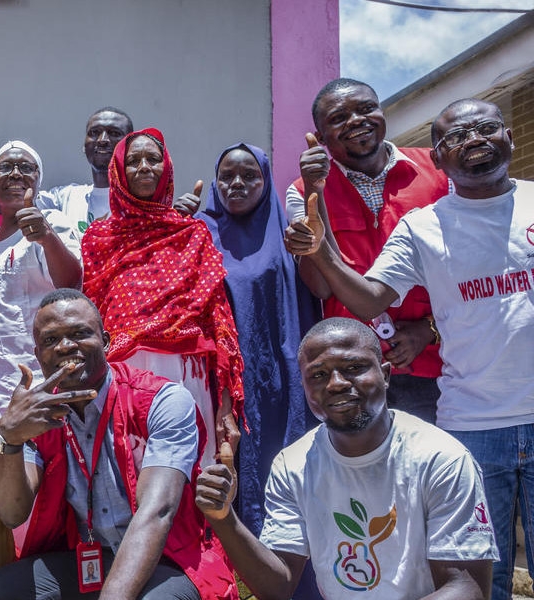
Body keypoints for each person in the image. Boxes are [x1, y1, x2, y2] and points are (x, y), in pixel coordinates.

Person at [286, 98, 533, 600]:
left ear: (509, 136)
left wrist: (427, 331)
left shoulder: (517, 196)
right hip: (472, 422)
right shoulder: (422, 226)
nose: (474, 141)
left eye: (485, 128)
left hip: (463, 386)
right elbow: (364, 295)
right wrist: (321, 247)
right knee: (488, 578)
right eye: (456, 139)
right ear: (439, 160)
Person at [194, 317, 496, 599]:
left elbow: (467, 587)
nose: (336, 383)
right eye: (319, 374)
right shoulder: (293, 465)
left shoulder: (441, 458)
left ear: (386, 374)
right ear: (306, 388)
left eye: (353, 368)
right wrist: (224, 518)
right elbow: (278, 585)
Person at [0, 289, 236, 600]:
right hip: (90, 556)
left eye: (79, 333)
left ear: (106, 340)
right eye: (50, 340)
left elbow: (157, 512)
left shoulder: (162, 400)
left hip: (169, 557)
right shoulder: (36, 418)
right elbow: (12, 513)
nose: (65, 346)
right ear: (38, 354)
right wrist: (10, 438)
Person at [285, 78, 446, 424]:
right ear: (321, 135)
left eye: (366, 108)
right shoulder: (301, 191)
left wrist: (429, 330)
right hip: (351, 374)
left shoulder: (436, 173)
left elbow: (464, 269)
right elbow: (320, 287)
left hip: (437, 366)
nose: (356, 120)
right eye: (338, 117)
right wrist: (316, 187)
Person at [81, 128, 244, 463]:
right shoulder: (97, 238)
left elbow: (219, 323)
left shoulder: (191, 233)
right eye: (133, 161)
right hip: (122, 377)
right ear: (118, 173)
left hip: (186, 372)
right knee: (129, 481)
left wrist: (225, 406)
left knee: (189, 480)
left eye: (153, 159)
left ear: (166, 168)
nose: (144, 167)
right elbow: (92, 323)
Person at [197, 143, 319, 536]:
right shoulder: (199, 231)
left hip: (281, 375)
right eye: (227, 176)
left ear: (266, 182)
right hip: (223, 379)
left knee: (284, 462)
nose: (237, 183)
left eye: (250, 175)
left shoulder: (288, 232)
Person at [0, 140, 82, 414]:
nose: (15, 173)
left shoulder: (53, 221)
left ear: (38, 181)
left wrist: (46, 237)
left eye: (25, 167)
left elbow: (72, 284)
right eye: (4, 167)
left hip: (36, 385)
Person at [38, 107, 132, 233]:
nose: (102, 140)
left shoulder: (147, 202)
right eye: (94, 132)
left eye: (114, 133)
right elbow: (10, 206)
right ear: (84, 146)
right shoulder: (63, 198)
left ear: (131, 147)